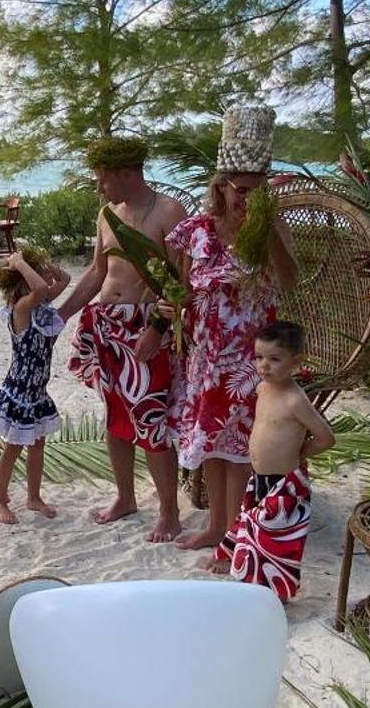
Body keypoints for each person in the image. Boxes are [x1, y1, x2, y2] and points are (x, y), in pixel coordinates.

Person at [167, 106, 298, 552]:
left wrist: (269, 225)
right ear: (220, 186)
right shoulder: (197, 232)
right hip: (206, 357)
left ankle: (233, 535)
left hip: (250, 360)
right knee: (212, 445)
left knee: (241, 449)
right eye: (239, 189)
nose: (244, 198)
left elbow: (289, 280)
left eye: (254, 191)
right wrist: (171, 310)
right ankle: (216, 526)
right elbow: (182, 288)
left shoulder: (269, 230)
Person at [60, 136, 188, 540]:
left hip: (148, 325)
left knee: (150, 420)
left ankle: (169, 511)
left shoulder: (169, 212)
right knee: (115, 416)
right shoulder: (107, 214)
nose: (101, 187)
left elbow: (181, 280)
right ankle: (126, 497)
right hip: (107, 325)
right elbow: (98, 273)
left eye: (104, 179)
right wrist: (61, 314)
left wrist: (157, 330)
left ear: (128, 173)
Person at [205, 320, 334, 600]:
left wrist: (299, 454)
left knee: (275, 539)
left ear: (296, 361)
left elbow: (326, 437)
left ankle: (272, 591)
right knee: (251, 522)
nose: (264, 366)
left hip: (285, 483)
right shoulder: (264, 388)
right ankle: (238, 563)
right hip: (260, 476)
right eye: (259, 357)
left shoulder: (295, 400)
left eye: (274, 359)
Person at [0, 246, 69, 523]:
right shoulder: (21, 308)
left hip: (37, 393)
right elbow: (40, 288)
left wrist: (48, 268)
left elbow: (66, 280)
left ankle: (34, 497)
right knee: (12, 448)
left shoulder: (42, 308)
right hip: (19, 393)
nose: (44, 280)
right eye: (36, 275)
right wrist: (20, 263)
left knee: (37, 446)